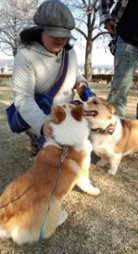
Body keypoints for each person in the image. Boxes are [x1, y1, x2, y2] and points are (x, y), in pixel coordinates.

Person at [11, 0, 95, 156]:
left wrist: (81, 83)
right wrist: (42, 124)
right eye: (54, 34)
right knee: (56, 156)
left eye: (65, 35)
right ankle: (36, 136)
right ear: (40, 30)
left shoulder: (70, 53)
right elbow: (23, 99)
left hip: (67, 112)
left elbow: (75, 73)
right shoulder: (25, 56)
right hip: (43, 115)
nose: (61, 39)